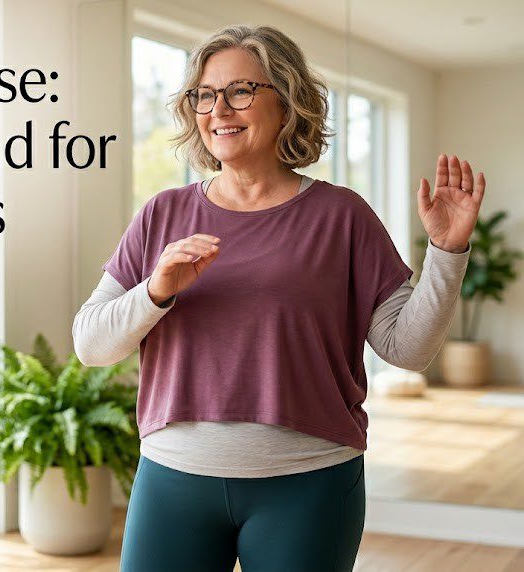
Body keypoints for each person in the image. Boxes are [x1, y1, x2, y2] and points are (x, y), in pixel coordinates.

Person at [72, 25, 484, 572]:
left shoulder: (341, 216)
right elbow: (91, 344)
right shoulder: (162, 214)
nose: (220, 108)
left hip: (308, 482)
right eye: (205, 94)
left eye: (241, 90)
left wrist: (446, 251)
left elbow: (406, 350)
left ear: (287, 102)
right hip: (173, 478)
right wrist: (156, 292)